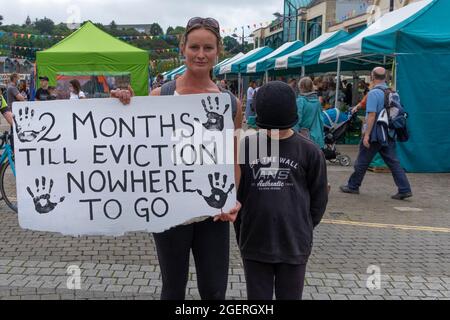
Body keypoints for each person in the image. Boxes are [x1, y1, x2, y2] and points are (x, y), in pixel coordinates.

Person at [111, 16, 243, 300]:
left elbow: (234, 156)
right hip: (170, 210)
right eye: (194, 46)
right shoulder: (161, 95)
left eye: (208, 48)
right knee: (173, 288)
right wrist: (123, 107)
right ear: (183, 48)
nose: (200, 54)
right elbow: (136, 147)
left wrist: (233, 198)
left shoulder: (230, 102)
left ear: (218, 50)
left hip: (214, 211)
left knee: (214, 290)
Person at [236, 81, 328, 300]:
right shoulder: (247, 147)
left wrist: (303, 225)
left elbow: (318, 199)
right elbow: (238, 193)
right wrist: (243, 228)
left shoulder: (309, 152)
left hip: (293, 244)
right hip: (255, 243)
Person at [340, 67, 412, 200]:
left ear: (372, 77)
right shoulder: (393, 93)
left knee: (362, 161)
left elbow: (372, 115)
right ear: (385, 77)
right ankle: (404, 188)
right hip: (389, 132)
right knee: (393, 162)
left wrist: (366, 135)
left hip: (375, 133)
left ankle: (353, 186)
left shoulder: (373, 93)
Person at [294, 77, 324, 148]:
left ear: (301, 87)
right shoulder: (317, 102)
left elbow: (296, 121)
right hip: (317, 138)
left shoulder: (300, 101)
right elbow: (321, 120)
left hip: (303, 138)